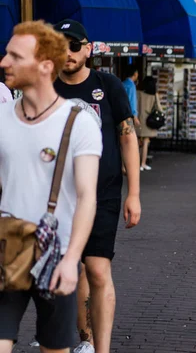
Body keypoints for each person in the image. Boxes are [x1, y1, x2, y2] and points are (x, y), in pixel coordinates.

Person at [0, 20, 102, 353]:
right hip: (6, 250)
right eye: (6, 53)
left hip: (54, 255)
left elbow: (87, 196)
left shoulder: (78, 121)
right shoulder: (2, 117)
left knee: (54, 348)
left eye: (15, 56)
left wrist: (72, 260)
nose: (4, 62)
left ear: (45, 66)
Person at [53, 19, 141, 353]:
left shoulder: (109, 86)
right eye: (61, 46)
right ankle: (84, 340)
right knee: (68, 269)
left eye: (74, 46)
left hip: (102, 193)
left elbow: (128, 138)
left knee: (97, 268)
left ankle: (101, 348)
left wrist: (133, 193)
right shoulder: (47, 88)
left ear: (89, 49)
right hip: (59, 197)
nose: (68, 53)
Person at [136, 77, 162, 171]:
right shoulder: (154, 95)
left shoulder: (138, 93)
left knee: (138, 143)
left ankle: (137, 164)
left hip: (139, 120)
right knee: (146, 142)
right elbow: (159, 109)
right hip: (149, 121)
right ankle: (143, 163)